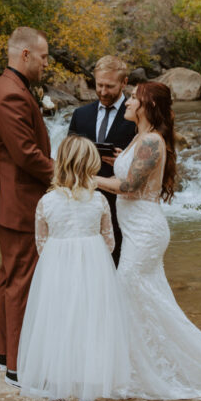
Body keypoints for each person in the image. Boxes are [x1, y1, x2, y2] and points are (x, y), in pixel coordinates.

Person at [95, 81, 201, 400]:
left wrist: (85, 177)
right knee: (144, 296)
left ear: (146, 106)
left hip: (145, 230)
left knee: (128, 286)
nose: (126, 104)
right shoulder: (142, 138)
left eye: (132, 99)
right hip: (138, 227)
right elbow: (131, 176)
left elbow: (128, 187)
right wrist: (112, 165)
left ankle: (145, 369)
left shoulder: (151, 141)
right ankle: (141, 364)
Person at [18, 135, 130, 401]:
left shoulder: (46, 202)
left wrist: (60, 263)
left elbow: (41, 243)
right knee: (89, 331)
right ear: (91, 164)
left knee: (57, 329)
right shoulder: (100, 201)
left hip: (56, 275)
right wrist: (89, 261)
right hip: (93, 275)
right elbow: (109, 242)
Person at [0, 27, 54, 388]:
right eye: (42, 57)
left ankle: (5, 355)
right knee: (22, 279)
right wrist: (67, 174)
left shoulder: (10, 87)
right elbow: (26, 154)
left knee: (11, 276)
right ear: (25, 55)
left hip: (8, 198)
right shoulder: (11, 94)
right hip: (18, 200)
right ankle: (18, 366)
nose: (45, 64)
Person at [67, 55, 138, 266]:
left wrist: (123, 158)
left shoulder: (137, 115)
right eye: (99, 85)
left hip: (122, 206)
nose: (103, 92)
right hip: (84, 202)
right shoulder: (81, 115)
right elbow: (68, 157)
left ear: (124, 83)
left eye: (110, 86)